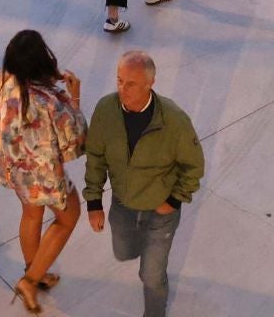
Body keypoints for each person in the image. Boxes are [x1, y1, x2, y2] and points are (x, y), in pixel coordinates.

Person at [83, 50, 205, 317]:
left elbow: (194, 166)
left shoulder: (174, 120)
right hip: (123, 205)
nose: (122, 89)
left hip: (160, 212)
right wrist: (93, 201)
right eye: (119, 81)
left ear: (151, 83)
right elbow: (95, 156)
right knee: (124, 252)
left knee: (152, 276)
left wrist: (173, 201)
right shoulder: (106, 109)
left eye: (131, 83)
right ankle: (145, 257)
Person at [0, 30, 89, 311]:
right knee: (68, 217)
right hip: (46, 177)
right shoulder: (50, 101)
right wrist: (74, 98)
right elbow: (76, 138)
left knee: (31, 214)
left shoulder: (0, 81)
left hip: (16, 171)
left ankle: (35, 270)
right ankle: (30, 280)